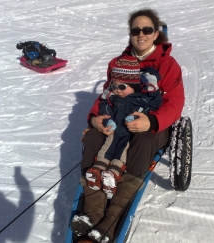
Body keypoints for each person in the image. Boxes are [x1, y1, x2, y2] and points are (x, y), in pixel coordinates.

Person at [71, 8, 185, 243]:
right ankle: (92, 215)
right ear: (130, 34)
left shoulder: (168, 64)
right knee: (93, 137)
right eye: (135, 30)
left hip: (151, 125)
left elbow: (175, 102)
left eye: (147, 30)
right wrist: (94, 118)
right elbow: (104, 96)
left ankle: (110, 224)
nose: (140, 34)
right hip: (116, 120)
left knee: (142, 141)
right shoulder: (118, 63)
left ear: (156, 34)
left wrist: (152, 121)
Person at [85, 61, 162, 198]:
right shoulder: (113, 98)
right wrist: (108, 119)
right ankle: (97, 170)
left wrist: (152, 84)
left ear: (134, 86)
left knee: (122, 152)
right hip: (114, 131)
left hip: (129, 133)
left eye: (122, 86)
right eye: (114, 86)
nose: (117, 90)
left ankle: (113, 174)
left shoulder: (141, 99)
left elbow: (155, 103)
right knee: (106, 148)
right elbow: (105, 107)